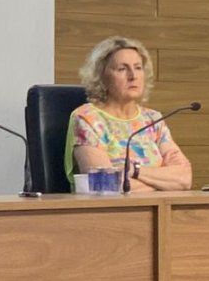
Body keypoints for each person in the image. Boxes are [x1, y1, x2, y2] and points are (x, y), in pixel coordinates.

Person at [67, 36, 193, 191]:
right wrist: (163, 184)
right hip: (112, 207)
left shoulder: (152, 119)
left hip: (160, 205)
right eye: (122, 69)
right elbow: (106, 185)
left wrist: (135, 171)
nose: (133, 76)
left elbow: (184, 178)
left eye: (138, 68)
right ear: (101, 77)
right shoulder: (87, 119)